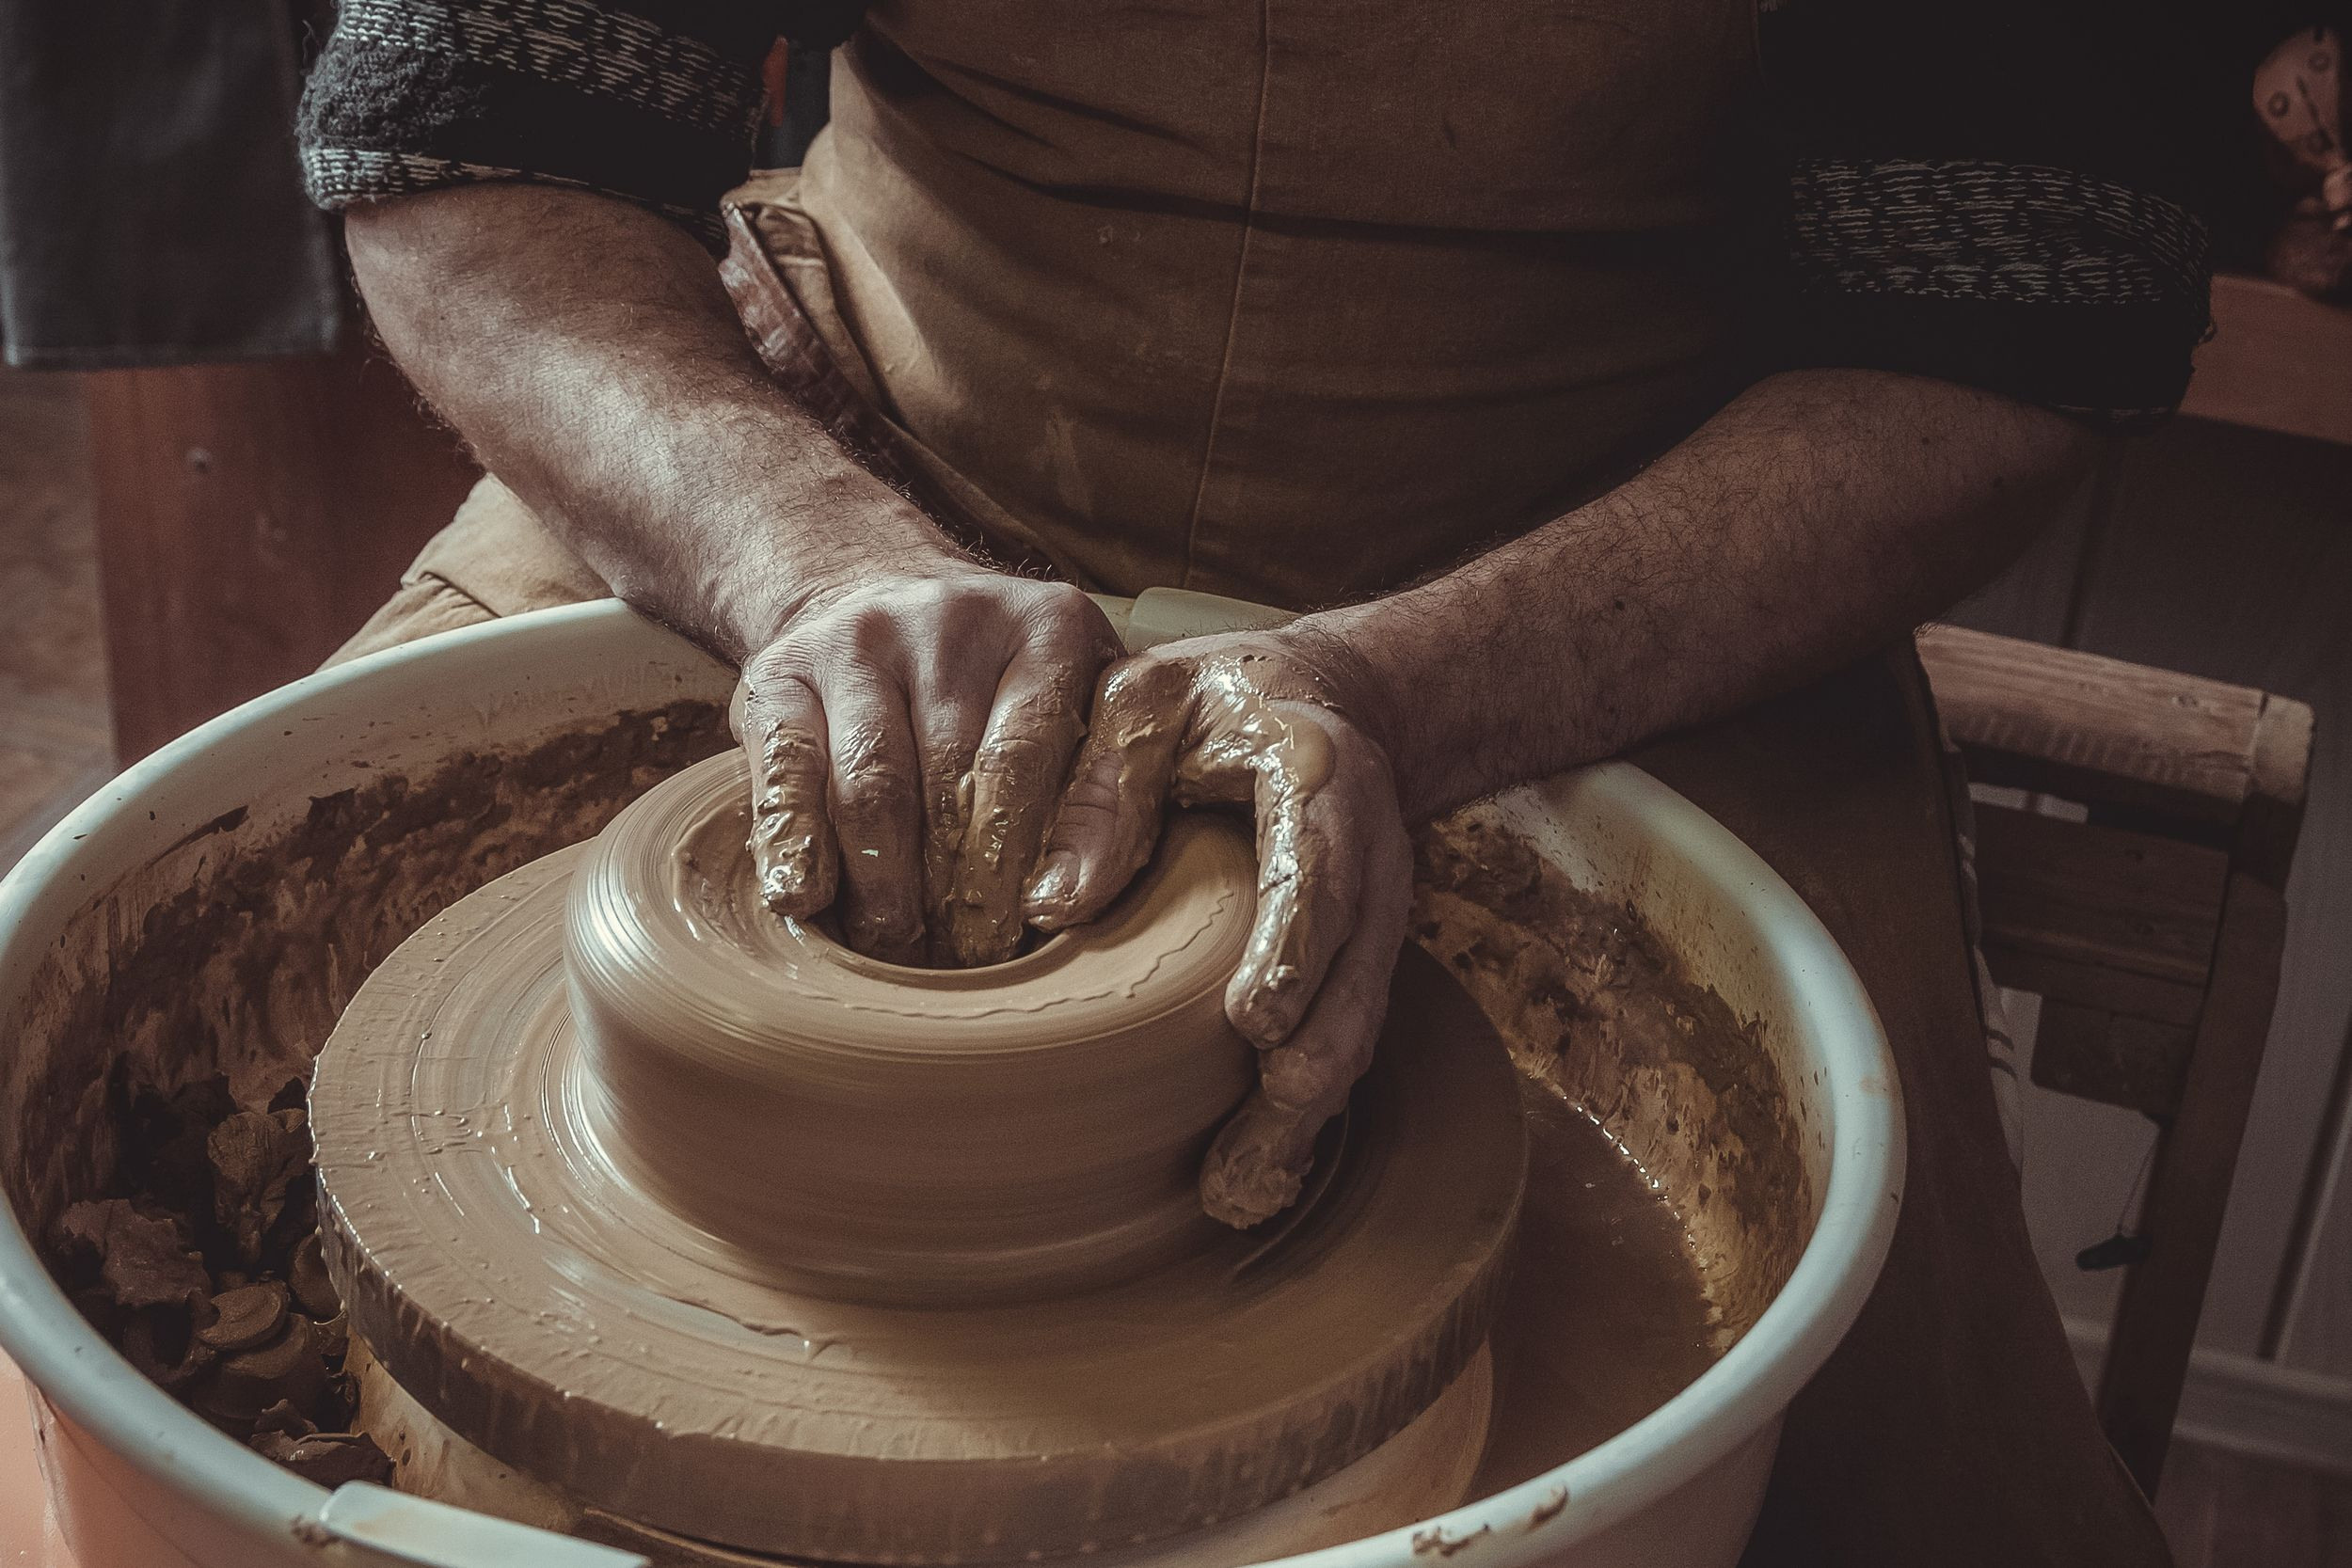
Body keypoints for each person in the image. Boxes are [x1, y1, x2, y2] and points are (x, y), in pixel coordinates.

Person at [296, 3, 2213, 1560]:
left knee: (1886, 1453)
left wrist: (1393, 692)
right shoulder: (813, 529)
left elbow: (1997, 329)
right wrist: (805, 555)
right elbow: (469, 130)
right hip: (850, 463)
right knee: (290, 1091)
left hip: (1607, 586)